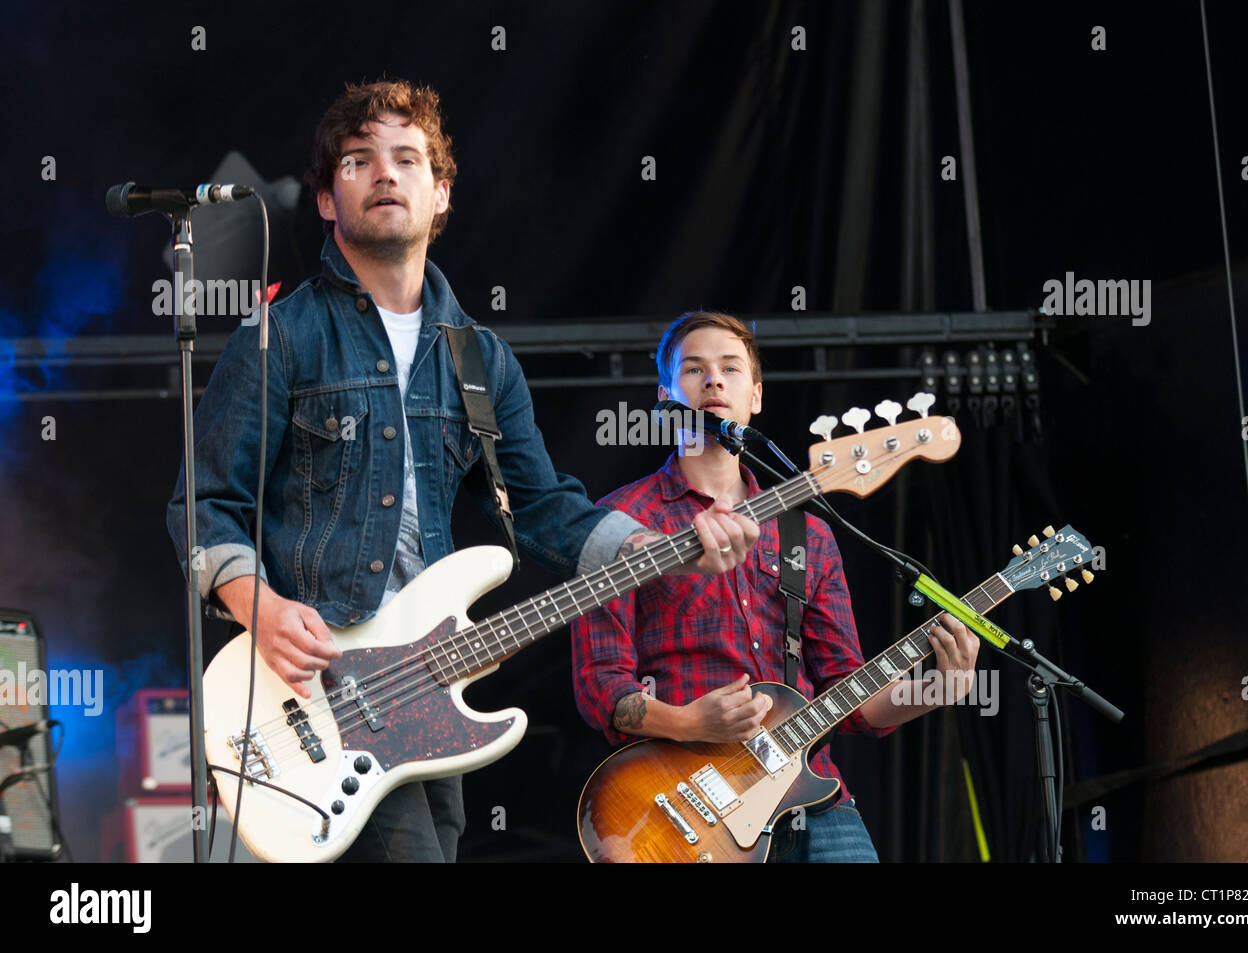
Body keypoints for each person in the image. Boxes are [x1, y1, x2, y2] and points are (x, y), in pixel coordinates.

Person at [165, 82, 757, 863]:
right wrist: (262, 607)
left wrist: (664, 542)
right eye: (358, 159)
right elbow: (203, 506)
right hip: (310, 685)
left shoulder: (479, 359)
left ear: (440, 193)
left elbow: (545, 506)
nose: (385, 174)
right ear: (325, 198)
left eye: (407, 159)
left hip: (423, 698)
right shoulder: (282, 337)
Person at [570, 311, 980, 862]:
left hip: (813, 802)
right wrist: (689, 721)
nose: (714, 381)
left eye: (731, 369)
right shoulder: (620, 521)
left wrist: (936, 691)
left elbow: (852, 700)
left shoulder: (806, 535)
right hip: (683, 810)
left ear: (756, 396)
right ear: (665, 397)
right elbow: (601, 686)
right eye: (693, 370)